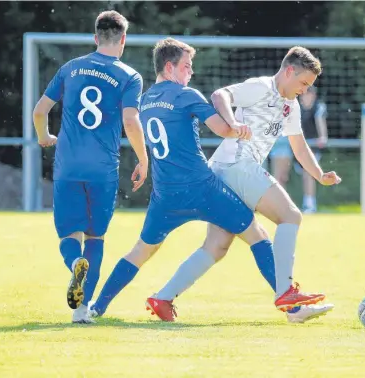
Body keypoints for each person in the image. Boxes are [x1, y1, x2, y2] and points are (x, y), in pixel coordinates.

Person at [89, 38, 326, 321]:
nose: (191, 73)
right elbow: (224, 127)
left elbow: (132, 125)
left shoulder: (146, 101)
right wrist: (236, 128)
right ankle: (288, 298)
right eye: (187, 66)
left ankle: (100, 307)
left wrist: (143, 159)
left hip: (165, 194)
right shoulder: (189, 95)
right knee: (261, 232)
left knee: (154, 250)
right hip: (204, 187)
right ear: (170, 67)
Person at [147, 46, 340, 323]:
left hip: (226, 170)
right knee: (290, 216)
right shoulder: (261, 87)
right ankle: (286, 292)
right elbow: (219, 95)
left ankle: (162, 298)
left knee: (216, 247)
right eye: (303, 83)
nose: (304, 89)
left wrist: (320, 175)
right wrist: (234, 121)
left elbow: (299, 147)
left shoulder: (291, 106)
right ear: (288, 71)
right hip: (236, 166)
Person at [32, 10, 148, 323]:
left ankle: (74, 265)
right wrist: (143, 157)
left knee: (70, 235)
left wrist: (44, 137)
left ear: (96, 38)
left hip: (68, 166)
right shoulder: (129, 76)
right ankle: (82, 312)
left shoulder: (70, 68)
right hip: (103, 170)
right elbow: (130, 120)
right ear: (123, 39)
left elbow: (40, 110)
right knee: (95, 238)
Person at [269, 86, 328, 213]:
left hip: (310, 147)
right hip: (292, 145)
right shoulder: (293, 107)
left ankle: (309, 204)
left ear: (313, 96)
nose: (306, 97)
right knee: (280, 176)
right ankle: (281, 206)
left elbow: (320, 123)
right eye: (304, 95)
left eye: (308, 94)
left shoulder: (318, 108)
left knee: (309, 173)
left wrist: (323, 137)